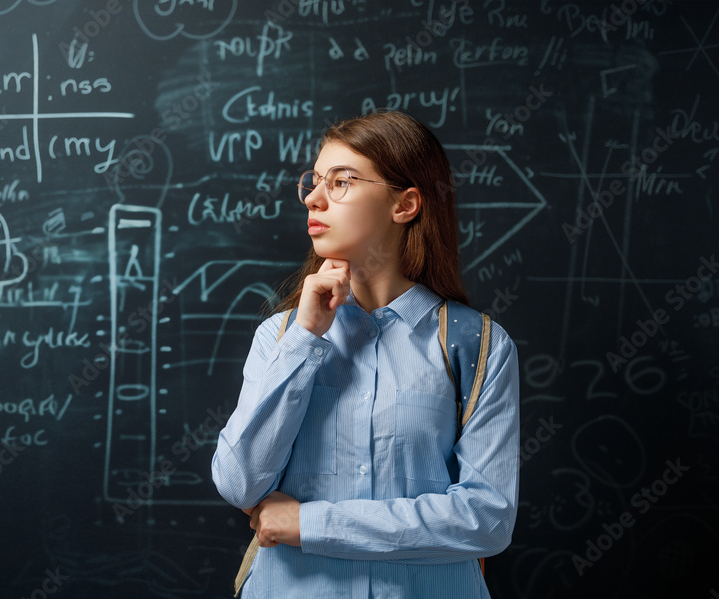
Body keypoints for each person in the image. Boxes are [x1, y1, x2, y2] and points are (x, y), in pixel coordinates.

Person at [211, 111, 520, 598]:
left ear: (406, 204)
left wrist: (309, 523)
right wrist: (306, 337)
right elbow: (239, 483)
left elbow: (486, 519)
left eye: (341, 182)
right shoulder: (281, 335)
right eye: (313, 183)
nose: (313, 198)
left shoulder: (479, 346)